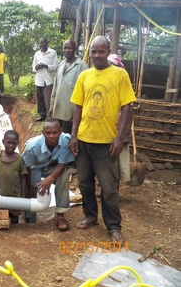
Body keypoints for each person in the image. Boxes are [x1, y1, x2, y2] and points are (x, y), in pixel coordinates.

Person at [70, 36, 136, 244]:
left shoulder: (119, 74)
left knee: (108, 188)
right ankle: (90, 215)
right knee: (85, 183)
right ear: (89, 53)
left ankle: (114, 226)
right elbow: (77, 106)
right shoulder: (85, 75)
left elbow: (128, 107)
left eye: (101, 51)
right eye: (94, 52)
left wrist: (119, 138)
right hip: (83, 140)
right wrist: (73, 135)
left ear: (108, 51)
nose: (97, 55)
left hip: (106, 143)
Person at [22, 118, 75, 231]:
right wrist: (29, 188)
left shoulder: (65, 141)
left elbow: (62, 164)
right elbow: (25, 168)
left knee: (63, 176)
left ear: (60, 131)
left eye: (55, 132)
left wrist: (50, 179)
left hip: (52, 167)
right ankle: (30, 218)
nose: (51, 136)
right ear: (43, 133)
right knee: (31, 190)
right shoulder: (33, 147)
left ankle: (60, 215)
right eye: (48, 133)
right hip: (34, 169)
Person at [48, 40, 88, 134]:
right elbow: (56, 86)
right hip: (58, 110)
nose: (67, 50)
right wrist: (52, 105)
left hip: (71, 112)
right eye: (65, 48)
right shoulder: (61, 64)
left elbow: (85, 90)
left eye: (69, 48)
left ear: (74, 49)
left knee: (67, 138)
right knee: (56, 137)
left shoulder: (81, 66)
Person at [0, 130, 28, 224]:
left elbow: (23, 178)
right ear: (3, 142)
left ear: (17, 143)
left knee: (15, 217)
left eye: (14, 143)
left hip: (16, 195)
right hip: (2, 194)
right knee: (4, 216)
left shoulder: (19, 159)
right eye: (8, 142)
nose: (11, 145)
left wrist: (23, 195)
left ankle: (14, 237)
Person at [108, 54, 132, 186]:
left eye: (113, 65)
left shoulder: (122, 83)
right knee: (107, 167)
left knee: (116, 167)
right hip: (106, 133)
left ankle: (114, 193)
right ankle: (107, 191)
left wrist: (123, 135)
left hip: (119, 135)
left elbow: (129, 112)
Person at [33, 37, 59, 121]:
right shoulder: (37, 54)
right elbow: (33, 67)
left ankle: (50, 117)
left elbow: (56, 66)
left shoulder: (52, 52)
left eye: (44, 42)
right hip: (39, 79)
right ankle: (42, 115)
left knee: (48, 99)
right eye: (41, 42)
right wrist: (36, 67)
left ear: (47, 43)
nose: (42, 44)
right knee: (39, 98)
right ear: (39, 43)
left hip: (48, 80)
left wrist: (46, 66)